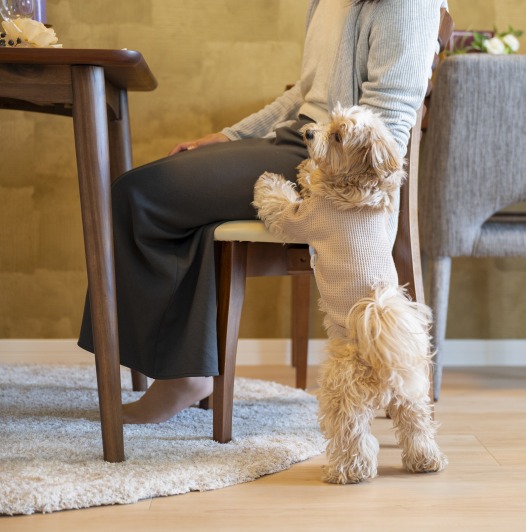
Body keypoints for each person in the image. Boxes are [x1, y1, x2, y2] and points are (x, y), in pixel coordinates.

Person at [77, 0, 446, 424]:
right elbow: (304, 96)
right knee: (184, 208)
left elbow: (392, 120)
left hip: (324, 164)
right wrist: (231, 135)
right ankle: (187, 374)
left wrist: (337, 198)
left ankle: (183, 376)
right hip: (295, 140)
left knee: (137, 193)